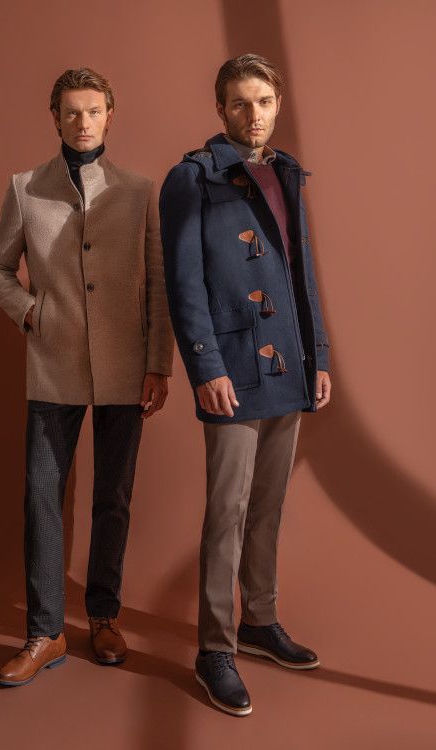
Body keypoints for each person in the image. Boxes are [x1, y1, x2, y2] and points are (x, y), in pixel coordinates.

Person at [0, 67, 174, 687]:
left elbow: (159, 284)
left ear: (110, 116)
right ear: (55, 118)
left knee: (113, 496)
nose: (82, 122)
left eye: (93, 111)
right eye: (71, 112)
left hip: (125, 366)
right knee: (42, 496)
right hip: (53, 363)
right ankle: (45, 632)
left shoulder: (139, 191)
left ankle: (104, 616)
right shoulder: (26, 188)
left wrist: (158, 363)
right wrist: (30, 312)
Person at [159, 54, 331, 716]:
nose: (252, 113)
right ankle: (215, 649)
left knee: (268, 504)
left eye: (262, 101)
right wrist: (206, 368)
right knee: (227, 510)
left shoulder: (287, 173)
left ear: (278, 103)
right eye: (239, 102)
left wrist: (317, 356)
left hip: (287, 364)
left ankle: (259, 621)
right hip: (232, 367)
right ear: (220, 109)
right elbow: (184, 284)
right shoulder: (191, 179)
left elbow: (301, 274)